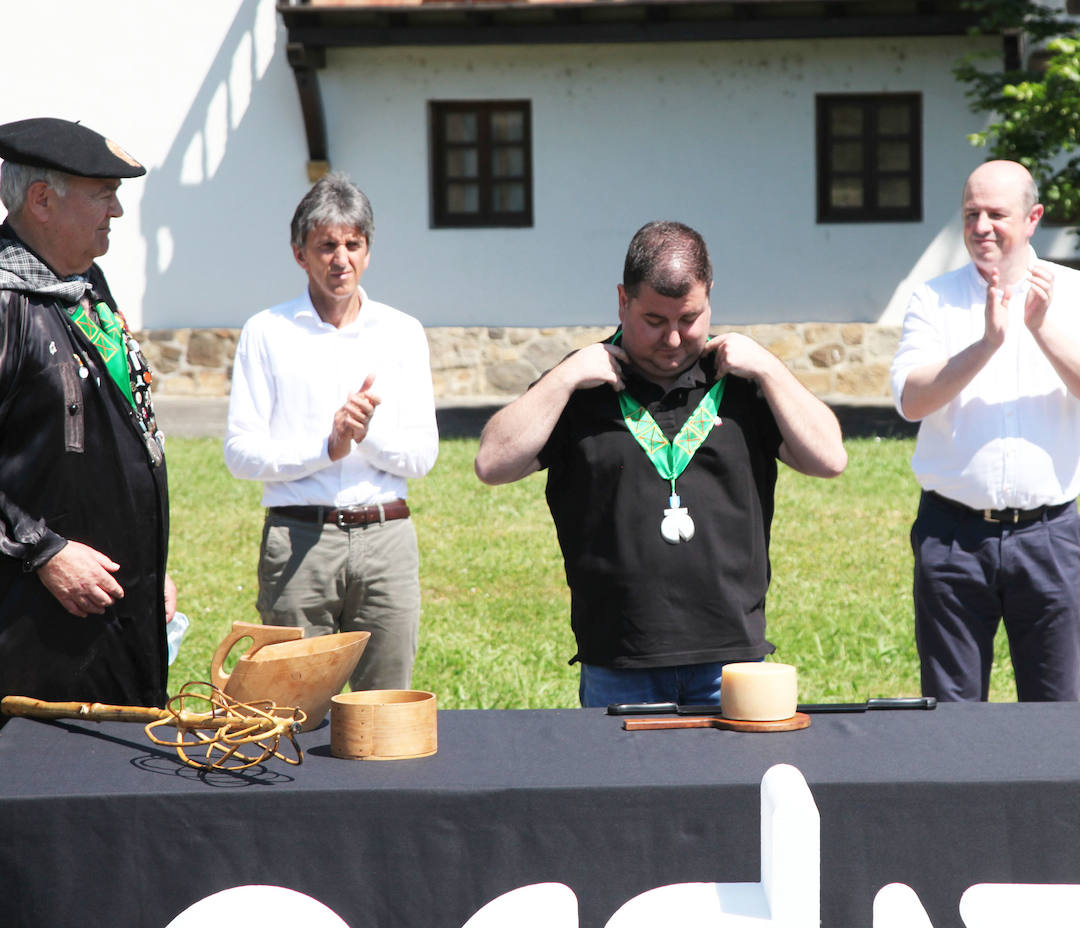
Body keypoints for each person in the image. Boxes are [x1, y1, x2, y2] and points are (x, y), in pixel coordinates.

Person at [474, 220, 846, 707]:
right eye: (654, 321)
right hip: (620, 660)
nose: (672, 339)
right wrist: (564, 378)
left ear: (710, 298)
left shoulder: (743, 383)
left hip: (730, 661)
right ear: (622, 301)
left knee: (728, 787)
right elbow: (492, 464)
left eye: (688, 319)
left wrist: (770, 368)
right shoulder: (581, 385)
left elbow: (830, 459)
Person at [889, 160, 1080, 702]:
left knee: (1053, 708)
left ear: (1033, 218)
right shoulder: (935, 297)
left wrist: (1040, 327)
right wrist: (986, 344)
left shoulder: (1078, 290)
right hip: (952, 536)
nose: (981, 227)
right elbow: (911, 400)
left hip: (1048, 536)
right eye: (971, 214)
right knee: (952, 712)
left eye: (997, 214)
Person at [224, 175, 438, 692]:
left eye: (352, 244)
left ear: (368, 252)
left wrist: (365, 436)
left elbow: (422, 456)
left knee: (385, 708)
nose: (340, 258)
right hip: (299, 539)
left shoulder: (402, 332)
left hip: (386, 538)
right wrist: (328, 447)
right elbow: (241, 454)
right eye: (326, 245)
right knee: (289, 709)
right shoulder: (267, 332)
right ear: (300, 254)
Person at [0, 117, 174, 707]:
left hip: (113, 614)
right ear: (42, 200)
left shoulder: (84, 285)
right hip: (35, 635)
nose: (117, 213)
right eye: (103, 195)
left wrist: (150, 568)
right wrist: (42, 550)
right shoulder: (6, 302)